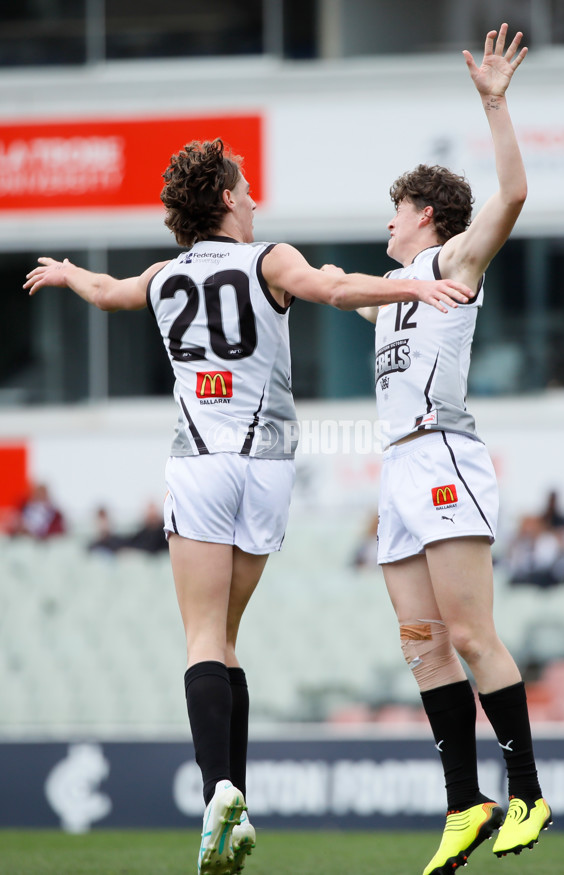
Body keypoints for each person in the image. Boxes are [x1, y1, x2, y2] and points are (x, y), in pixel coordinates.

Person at [24, 138, 472, 874]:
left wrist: (73, 273)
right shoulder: (270, 261)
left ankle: (219, 791)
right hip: (266, 466)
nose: (255, 194)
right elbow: (335, 290)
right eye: (247, 185)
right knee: (229, 636)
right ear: (228, 199)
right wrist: (412, 288)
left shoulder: (165, 274)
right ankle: (232, 807)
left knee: (203, 636)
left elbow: (109, 293)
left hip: (198, 459)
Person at [354, 24, 551, 875]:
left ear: (425, 217)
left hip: (443, 459)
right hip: (397, 466)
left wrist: (496, 104)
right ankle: (464, 802)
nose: (386, 222)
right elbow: (331, 290)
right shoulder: (392, 290)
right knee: (422, 642)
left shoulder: (454, 262)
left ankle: (530, 791)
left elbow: (512, 195)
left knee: (472, 634)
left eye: (395, 210)